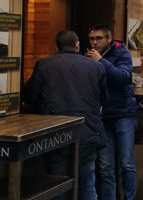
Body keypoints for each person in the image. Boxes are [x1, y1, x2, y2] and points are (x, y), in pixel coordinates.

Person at [24, 30, 107, 200]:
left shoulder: (44, 64)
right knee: (87, 183)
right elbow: (104, 98)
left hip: (56, 133)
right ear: (77, 45)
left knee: (56, 185)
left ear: (56, 47)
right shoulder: (97, 66)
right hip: (87, 130)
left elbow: (30, 96)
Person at [87, 24, 136, 200]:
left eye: (98, 38)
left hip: (123, 114)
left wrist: (101, 61)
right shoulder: (90, 56)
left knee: (126, 164)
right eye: (92, 39)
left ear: (109, 39)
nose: (94, 43)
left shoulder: (121, 53)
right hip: (103, 117)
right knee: (105, 167)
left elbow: (124, 78)